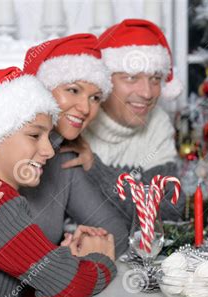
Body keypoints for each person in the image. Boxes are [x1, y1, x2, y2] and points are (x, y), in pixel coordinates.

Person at [0, 67, 116, 297]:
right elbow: (70, 285)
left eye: (48, 136)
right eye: (34, 135)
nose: (49, 151)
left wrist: (62, 261)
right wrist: (102, 260)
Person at [20, 33, 130, 256]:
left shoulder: (64, 157)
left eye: (95, 97)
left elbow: (116, 231)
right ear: (41, 89)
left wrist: (76, 254)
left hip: (47, 288)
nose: (85, 108)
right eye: (73, 90)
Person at [69, 19, 186, 221]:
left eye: (156, 79)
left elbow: (168, 212)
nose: (147, 93)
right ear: (104, 82)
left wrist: (95, 168)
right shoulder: (77, 121)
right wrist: (135, 190)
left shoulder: (158, 124)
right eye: (131, 77)